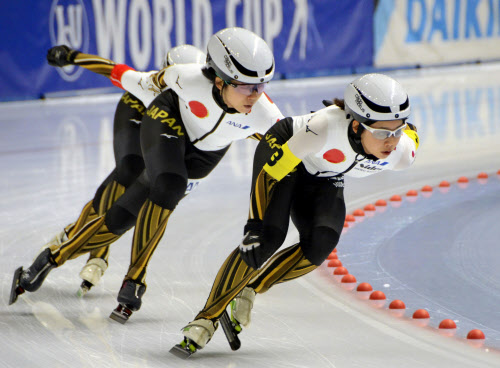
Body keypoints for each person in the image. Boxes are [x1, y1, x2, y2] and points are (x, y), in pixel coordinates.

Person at [9, 28, 284, 324]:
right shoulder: (183, 77)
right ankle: (135, 281)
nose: (257, 95)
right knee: (164, 183)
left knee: (122, 217)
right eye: (247, 87)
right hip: (167, 121)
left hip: (204, 154)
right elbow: (123, 74)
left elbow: (296, 145)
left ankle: (47, 260)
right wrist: (74, 57)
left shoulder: (264, 114)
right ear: (219, 80)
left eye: (262, 86)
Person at [171, 73, 420, 357]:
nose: (390, 142)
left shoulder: (402, 153)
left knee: (321, 241)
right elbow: (272, 174)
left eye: (395, 132)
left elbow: (410, 134)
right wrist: (254, 225)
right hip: (285, 153)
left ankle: (250, 289)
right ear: (354, 125)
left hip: (325, 172)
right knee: (266, 239)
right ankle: (205, 319)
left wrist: (399, 132)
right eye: (380, 133)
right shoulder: (323, 129)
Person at [39, 44, 207, 298]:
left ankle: (73, 233)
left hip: (171, 126)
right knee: (129, 168)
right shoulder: (147, 84)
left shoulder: (204, 99)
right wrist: (72, 57)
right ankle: (98, 254)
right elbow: (112, 69)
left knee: (159, 189)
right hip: (137, 110)